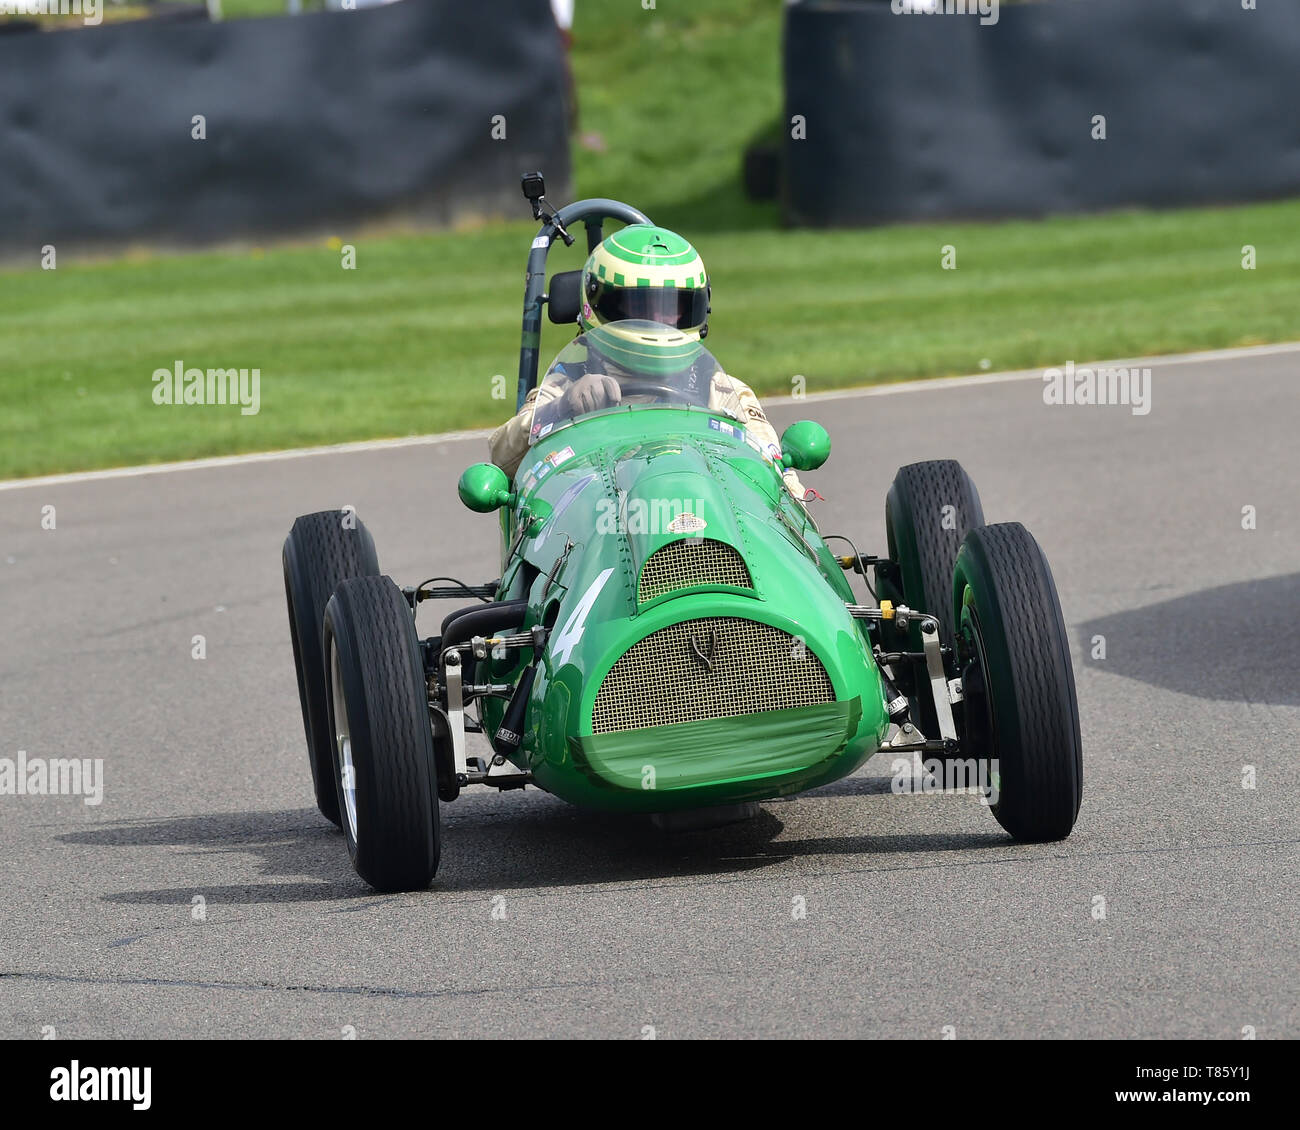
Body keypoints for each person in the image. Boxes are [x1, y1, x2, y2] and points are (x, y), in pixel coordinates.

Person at [489, 224, 807, 501]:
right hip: (594, 530)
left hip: (700, 524)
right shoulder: (567, 383)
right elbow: (501, 456)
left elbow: (774, 476)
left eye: (672, 308)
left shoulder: (720, 387)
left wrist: (791, 498)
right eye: (639, 305)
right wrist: (562, 409)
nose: (657, 320)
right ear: (597, 303)